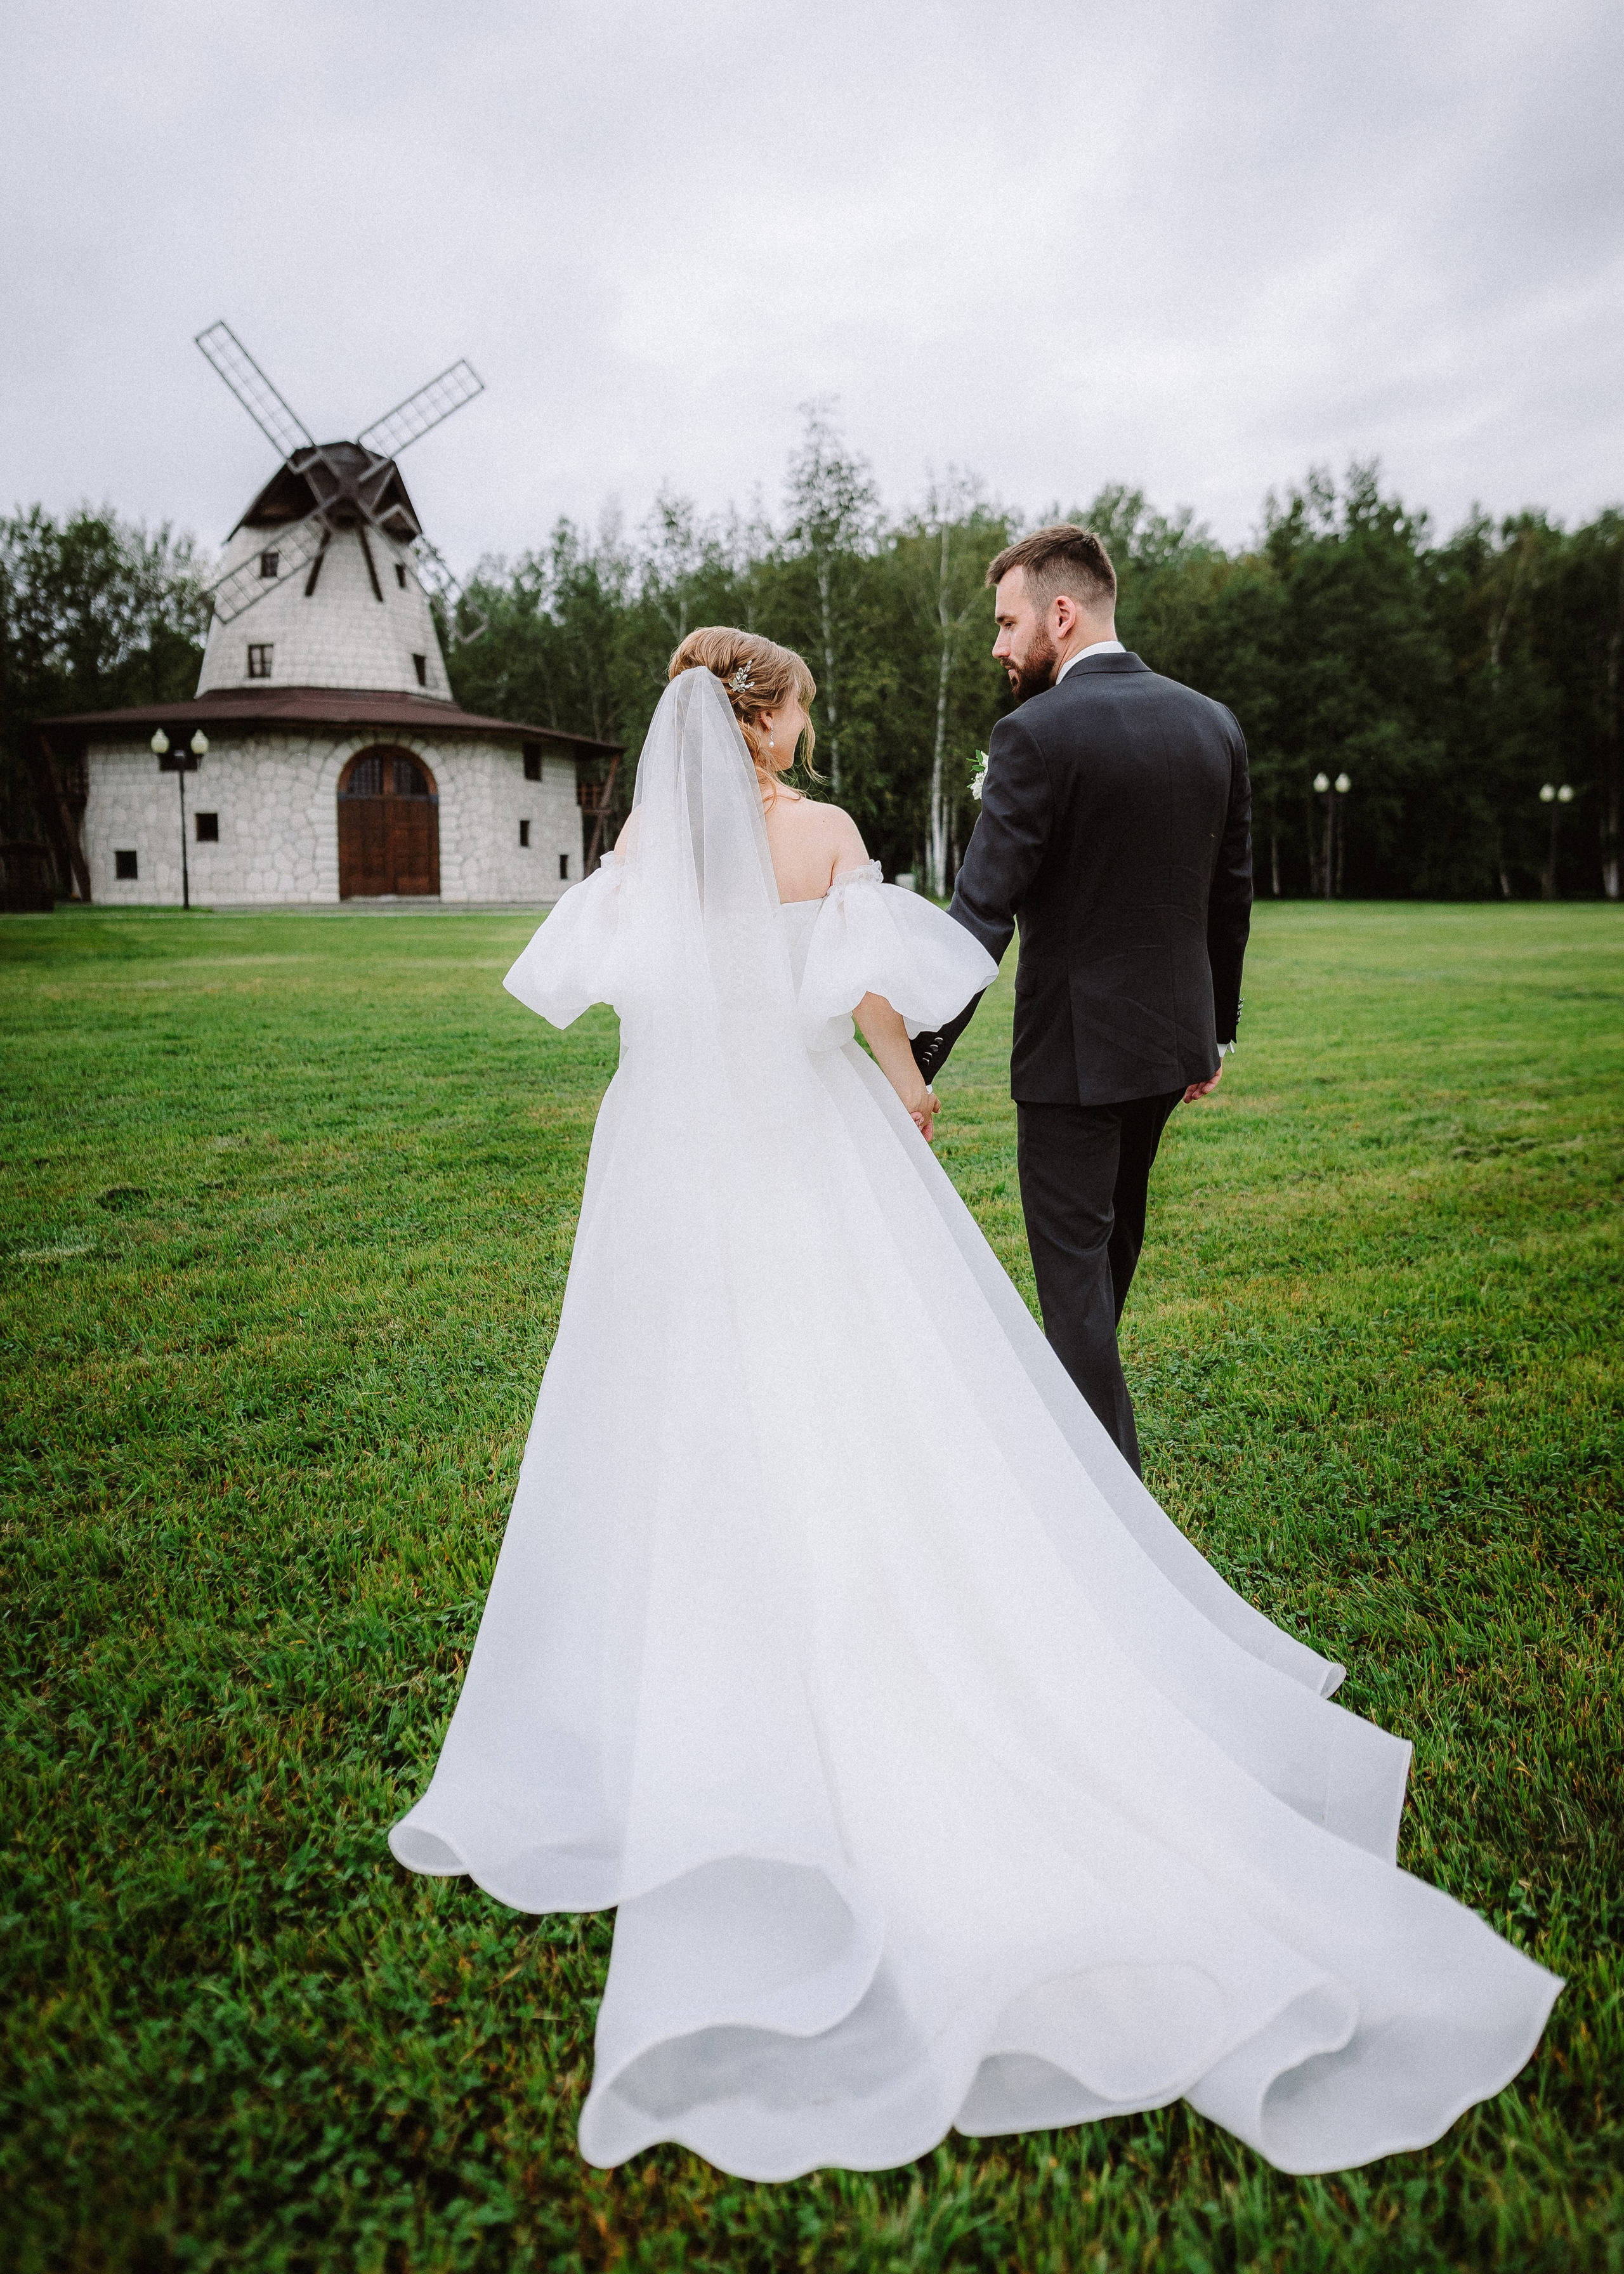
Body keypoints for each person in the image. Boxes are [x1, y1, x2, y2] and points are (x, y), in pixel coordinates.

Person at [390, 630, 1557, 2183]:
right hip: (801, 1151)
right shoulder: (816, 837)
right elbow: (863, 995)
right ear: (766, 715)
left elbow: (616, 991)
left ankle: (688, 1687)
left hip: (668, 1169)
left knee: (674, 1420)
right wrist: (908, 1081)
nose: (814, 727)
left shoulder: (644, 848)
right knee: (865, 1399)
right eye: (805, 702)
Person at [912, 525, 1249, 1475]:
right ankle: (1077, 1453)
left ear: (1062, 615)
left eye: (1008, 622)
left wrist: (913, 1060)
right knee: (1101, 1279)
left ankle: (1113, 1512)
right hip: (1169, 1053)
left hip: (1072, 1061)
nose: (998, 646)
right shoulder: (1212, 723)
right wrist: (1213, 1033)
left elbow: (982, 914)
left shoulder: (1034, 734)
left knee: (1076, 1294)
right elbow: (1232, 893)